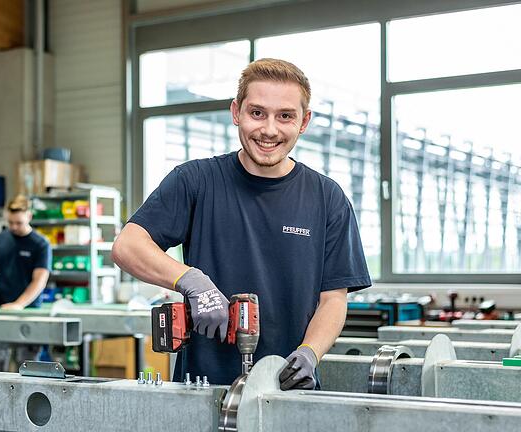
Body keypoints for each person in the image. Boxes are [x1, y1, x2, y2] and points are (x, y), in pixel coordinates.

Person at [111, 58, 371, 388]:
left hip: (289, 389)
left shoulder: (327, 198)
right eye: (257, 113)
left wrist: (310, 353)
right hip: (202, 390)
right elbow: (128, 246)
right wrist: (192, 281)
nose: (269, 129)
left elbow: (333, 300)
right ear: (236, 112)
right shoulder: (196, 181)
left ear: (304, 121)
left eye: (285, 116)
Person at [0, 194, 52, 370]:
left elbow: (40, 280)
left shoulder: (40, 244)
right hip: (0, 309)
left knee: (27, 366)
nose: (13, 227)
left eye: (18, 223)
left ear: (29, 216)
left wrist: (19, 304)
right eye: (10, 222)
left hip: (28, 312)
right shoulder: (0, 239)